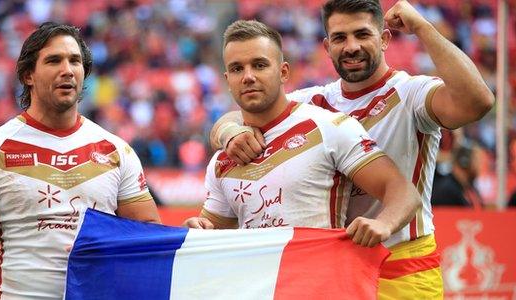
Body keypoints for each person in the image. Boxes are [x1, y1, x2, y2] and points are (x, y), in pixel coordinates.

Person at [209, 1, 494, 298]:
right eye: (340, 38)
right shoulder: (313, 101)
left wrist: (423, 28)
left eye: (362, 34)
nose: (351, 46)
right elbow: (248, 110)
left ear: (384, 39)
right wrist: (229, 131)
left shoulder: (411, 93)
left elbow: (479, 102)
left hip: (403, 264)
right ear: (327, 46)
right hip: (339, 266)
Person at [0, 22, 161, 299]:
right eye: (54, 60)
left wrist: (186, 237)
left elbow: (148, 235)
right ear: (28, 74)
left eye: (75, 61)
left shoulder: (117, 150)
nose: (67, 70)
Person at [184, 19, 421, 251]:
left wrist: (383, 223)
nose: (248, 76)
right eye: (237, 69)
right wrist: (199, 229)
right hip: (262, 289)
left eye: (259, 65)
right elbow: (213, 231)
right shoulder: (223, 160)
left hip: (320, 286)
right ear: (228, 80)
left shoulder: (330, 127)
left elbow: (404, 193)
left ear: (284, 72)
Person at [431, 141, 484, 208]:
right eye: (477, 161)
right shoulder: (447, 191)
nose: (480, 166)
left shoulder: (470, 187)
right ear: (464, 162)